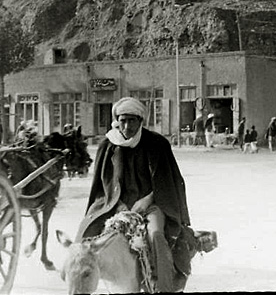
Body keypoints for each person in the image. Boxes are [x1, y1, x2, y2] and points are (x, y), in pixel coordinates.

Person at [75, 97, 191, 292]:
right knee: (83, 236)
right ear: (116, 120)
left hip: (152, 204)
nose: (127, 126)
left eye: (132, 120)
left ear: (141, 121)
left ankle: (164, 287)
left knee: (155, 235)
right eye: (123, 120)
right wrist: (117, 203)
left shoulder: (156, 144)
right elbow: (102, 184)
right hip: (114, 205)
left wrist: (147, 200)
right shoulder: (108, 145)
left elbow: (166, 182)